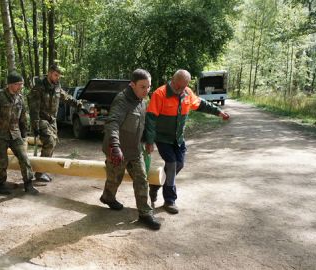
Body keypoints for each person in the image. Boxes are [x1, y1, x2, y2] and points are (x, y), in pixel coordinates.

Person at [145, 69, 230, 214]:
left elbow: (201, 104)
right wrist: (149, 141)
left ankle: (156, 185)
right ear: (173, 80)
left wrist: (218, 112)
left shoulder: (187, 93)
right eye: (178, 86)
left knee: (180, 164)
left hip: (178, 139)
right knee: (171, 164)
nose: (180, 90)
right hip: (163, 138)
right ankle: (170, 201)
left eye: (184, 86)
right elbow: (151, 119)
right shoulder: (160, 94)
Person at [99, 69, 161, 230]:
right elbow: (112, 123)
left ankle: (145, 213)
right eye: (142, 87)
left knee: (142, 180)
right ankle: (108, 197)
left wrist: (148, 140)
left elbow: (144, 122)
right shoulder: (122, 100)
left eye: (148, 87)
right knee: (114, 179)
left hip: (135, 150)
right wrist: (115, 146)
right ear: (132, 85)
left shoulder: (142, 100)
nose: (146, 90)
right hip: (117, 150)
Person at [28, 64, 82, 182]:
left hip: (52, 120)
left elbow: (65, 97)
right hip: (41, 119)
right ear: (49, 73)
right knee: (50, 141)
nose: (58, 78)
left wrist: (78, 103)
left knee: (53, 144)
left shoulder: (57, 86)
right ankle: (40, 171)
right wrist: (35, 125)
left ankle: (42, 170)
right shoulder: (39, 87)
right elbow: (33, 108)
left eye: (59, 76)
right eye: (56, 75)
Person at [0, 71, 38, 195]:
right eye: (18, 84)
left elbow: (23, 118)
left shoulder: (19, 98)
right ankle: (0, 185)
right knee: (2, 162)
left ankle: (28, 184)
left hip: (15, 134)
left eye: (22, 84)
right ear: (10, 84)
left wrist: (24, 135)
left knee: (24, 158)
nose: (21, 87)